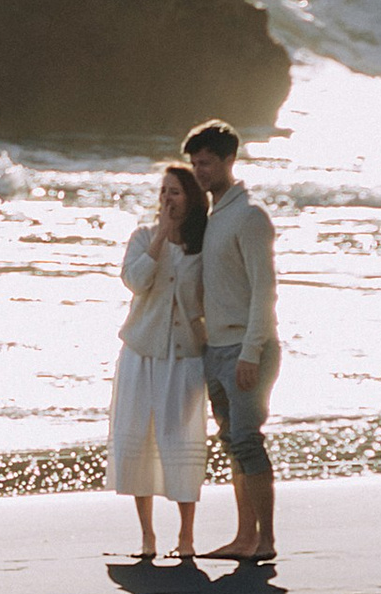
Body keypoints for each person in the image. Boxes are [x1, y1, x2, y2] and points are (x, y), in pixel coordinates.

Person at [181, 118, 279, 562]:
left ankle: (266, 540)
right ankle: (244, 537)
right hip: (216, 349)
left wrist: (251, 352)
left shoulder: (249, 215)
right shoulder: (215, 215)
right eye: (194, 164)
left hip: (246, 348)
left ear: (228, 161)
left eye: (205, 163)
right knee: (233, 444)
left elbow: (265, 289)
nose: (199, 172)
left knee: (246, 440)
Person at [108, 160, 210, 559]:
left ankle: (186, 536)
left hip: (185, 356)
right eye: (164, 191)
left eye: (176, 191)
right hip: (141, 352)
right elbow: (135, 280)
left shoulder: (205, 244)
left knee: (180, 439)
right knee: (139, 442)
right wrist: (162, 236)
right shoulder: (143, 237)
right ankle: (148, 536)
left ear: (191, 199)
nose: (167, 198)